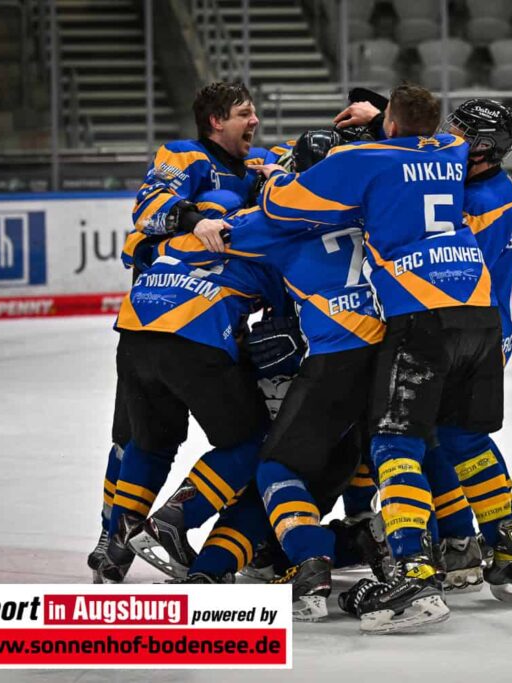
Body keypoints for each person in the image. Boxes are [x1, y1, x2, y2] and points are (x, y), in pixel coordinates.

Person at [248, 83, 501, 633]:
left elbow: (277, 208)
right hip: (475, 308)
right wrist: (387, 113)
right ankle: (479, 546)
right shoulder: (449, 151)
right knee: (444, 439)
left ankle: (410, 572)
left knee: (387, 443)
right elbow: (431, 133)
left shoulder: (359, 161)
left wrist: (273, 178)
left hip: (410, 317)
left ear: (387, 126)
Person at [150, 128, 389, 620]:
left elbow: (204, 244)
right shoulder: (373, 209)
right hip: (390, 360)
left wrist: (201, 217)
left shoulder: (279, 223)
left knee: (273, 469)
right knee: (366, 457)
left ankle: (309, 563)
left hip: (333, 364)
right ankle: (401, 543)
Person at [335, 96, 512, 606]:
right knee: (461, 438)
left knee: (403, 439)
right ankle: (505, 544)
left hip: (441, 320)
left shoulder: (471, 196)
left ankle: (437, 552)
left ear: (483, 149)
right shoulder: (491, 183)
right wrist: (382, 118)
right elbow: (428, 149)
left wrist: (380, 132)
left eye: (460, 133)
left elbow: (413, 172)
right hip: (488, 328)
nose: (448, 136)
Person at [88, 80, 281, 583]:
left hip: (164, 323)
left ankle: (124, 540)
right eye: (244, 113)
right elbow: (148, 210)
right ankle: (115, 539)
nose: (254, 121)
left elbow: (308, 167)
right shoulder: (184, 155)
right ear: (216, 121)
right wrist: (194, 219)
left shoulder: (260, 162)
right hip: (180, 316)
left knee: (151, 441)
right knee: (135, 440)